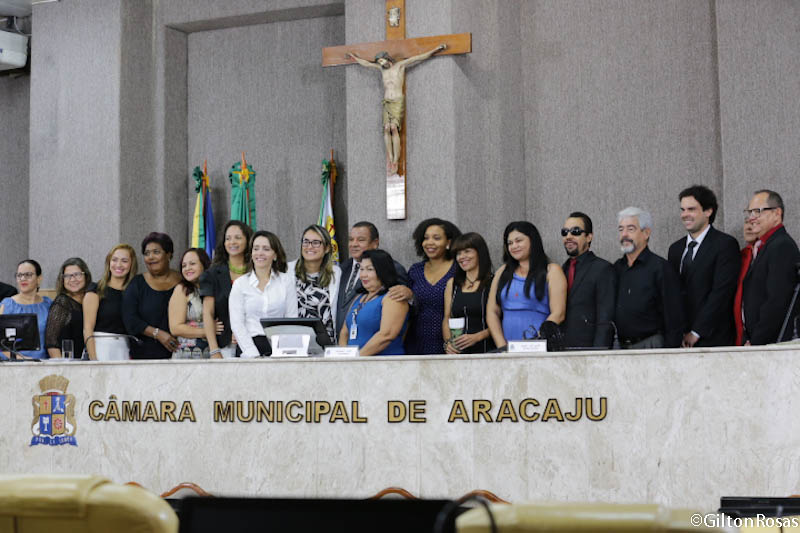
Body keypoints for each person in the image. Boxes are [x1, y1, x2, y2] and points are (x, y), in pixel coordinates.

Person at [347, 44, 446, 174]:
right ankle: (390, 157)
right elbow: (366, 64)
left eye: (382, 60)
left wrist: (435, 49)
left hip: (397, 101)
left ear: (387, 58)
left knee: (394, 128)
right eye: (379, 62)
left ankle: (395, 160)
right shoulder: (382, 70)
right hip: (387, 102)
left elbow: (418, 57)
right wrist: (354, 58)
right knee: (386, 128)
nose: (381, 63)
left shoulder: (400, 66)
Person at [667, 186, 740, 347]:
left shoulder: (725, 245)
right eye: (683, 209)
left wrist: (696, 332)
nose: (685, 214)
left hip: (714, 338)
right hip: (680, 340)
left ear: (708, 211)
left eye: (691, 209)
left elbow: (721, 293)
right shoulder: (675, 249)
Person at [487, 221, 567, 348]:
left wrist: (536, 342)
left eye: (518, 241)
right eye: (510, 243)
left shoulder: (552, 271)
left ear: (533, 241)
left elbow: (559, 313)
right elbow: (492, 312)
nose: (514, 246)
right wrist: (502, 346)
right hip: (507, 349)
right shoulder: (502, 272)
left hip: (540, 347)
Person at [613, 207, 685, 349]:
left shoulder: (661, 268)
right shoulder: (617, 268)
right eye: (621, 229)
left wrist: (670, 353)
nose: (624, 234)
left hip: (652, 345)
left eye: (631, 229)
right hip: (620, 347)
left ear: (646, 233)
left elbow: (674, 316)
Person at [741, 190, 800, 345]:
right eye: (749, 212)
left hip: (774, 344)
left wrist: (757, 341)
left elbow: (777, 301)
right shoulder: (765, 246)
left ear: (777, 213)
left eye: (757, 211)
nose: (751, 217)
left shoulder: (782, 246)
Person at [396, 218, 461, 354]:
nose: (429, 242)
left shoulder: (458, 269)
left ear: (448, 243)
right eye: (426, 238)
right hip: (416, 339)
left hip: (450, 341)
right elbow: (408, 306)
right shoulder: (415, 270)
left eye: (436, 238)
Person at [229, 230, 297, 358]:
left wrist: (284, 352)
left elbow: (292, 319)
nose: (260, 253)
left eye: (266, 249)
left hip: (279, 348)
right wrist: (253, 354)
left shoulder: (286, 281)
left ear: (275, 255)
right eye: (256, 249)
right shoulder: (240, 284)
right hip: (248, 348)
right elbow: (237, 324)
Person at [336, 221, 409, 335]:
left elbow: (401, 306)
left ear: (375, 243)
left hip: (374, 340)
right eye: (351, 239)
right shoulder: (341, 268)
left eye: (360, 240)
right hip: (342, 341)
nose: (354, 244)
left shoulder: (393, 268)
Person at [560, 212, 617, 349]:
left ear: (589, 237)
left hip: (590, 350)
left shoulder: (603, 269)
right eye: (565, 232)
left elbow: (605, 319)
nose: (568, 236)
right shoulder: (561, 270)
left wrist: (598, 353)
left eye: (575, 231)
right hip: (562, 350)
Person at [122, 232, 182, 359]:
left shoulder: (183, 281)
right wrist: (158, 334)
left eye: (156, 252)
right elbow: (130, 319)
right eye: (147, 253)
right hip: (145, 356)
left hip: (183, 353)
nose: (150, 257)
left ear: (169, 254)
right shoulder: (137, 284)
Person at [339, 249, 409, 356]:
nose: (363, 275)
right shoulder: (359, 297)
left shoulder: (393, 297)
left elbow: (386, 335)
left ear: (383, 271)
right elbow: (344, 332)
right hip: (354, 363)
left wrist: (357, 358)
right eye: (361, 269)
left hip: (383, 363)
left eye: (369, 269)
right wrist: (344, 356)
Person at [200, 220, 253, 359]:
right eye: (228, 238)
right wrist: (214, 350)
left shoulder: (256, 271)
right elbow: (208, 313)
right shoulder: (212, 275)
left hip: (254, 343)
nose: (232, 242)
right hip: (225, 348)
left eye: (238, 237)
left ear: (248, 241)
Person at [442, 232, 496, 354]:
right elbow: (447, 318)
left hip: (487, 351)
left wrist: (477, 337)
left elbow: (500, 320)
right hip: (458, 353)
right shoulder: (452, 283)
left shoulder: (494, 282)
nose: (462, 257)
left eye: (467, 251)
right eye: (458, 253)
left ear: (480, 253)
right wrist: (448, 343)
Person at [83, 244, 138, 360]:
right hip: (100, 348)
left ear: (131, 265)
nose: (118, 265)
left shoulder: (134, 292)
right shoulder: (96, 289)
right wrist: (93, 360)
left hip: (125, 349)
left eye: (124, 261)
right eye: (114, 260)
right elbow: (87, 329)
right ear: (108, 262)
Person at [288, 224, 341, 342]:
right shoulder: (287, 271)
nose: (310, 246)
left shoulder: (336, 273)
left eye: (316, 242)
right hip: (296, 342)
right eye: (306, 242)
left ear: (327, 248)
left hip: (327, 343)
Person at [169, 248, 222, 358]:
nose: (187, 268)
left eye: (192, 264)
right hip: (187, 355)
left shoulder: (216, 287)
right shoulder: (181, 289)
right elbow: (175, 328)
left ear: (204, 265)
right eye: (184, 266)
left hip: (217, 351)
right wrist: (207, 331)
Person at [0, 260, 52, 360]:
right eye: (19, 275)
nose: (23, 279)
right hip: (13, 363)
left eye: (28, 275)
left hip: (43, 364)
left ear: (39, 278)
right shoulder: (6, 305)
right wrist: (23, 359)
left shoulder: (48, 305)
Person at [45, 257, 92, 358]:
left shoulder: (93, 299)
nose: (73, 279)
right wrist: (63, 365)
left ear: (86, 276)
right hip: (70, 363)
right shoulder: (62, 302)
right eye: (67, 276)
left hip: (91, 360)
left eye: (77, 274)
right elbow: (51, 342)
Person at [733, 221, 758, 346]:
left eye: (753, 223)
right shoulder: (741, 256)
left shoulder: (771, 253)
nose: (748, 227)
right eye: (746, 222)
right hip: (740, 334)